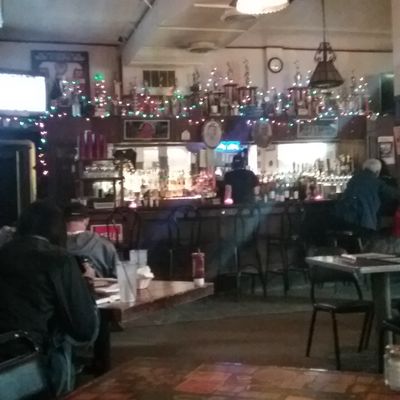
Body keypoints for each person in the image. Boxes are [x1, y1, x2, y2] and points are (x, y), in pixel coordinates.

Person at [0, 201, 98, 395]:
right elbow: (83, 329)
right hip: (34, 362)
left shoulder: (3, 253)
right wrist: (86, 285)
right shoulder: (59, 259)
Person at [334, 158, 400, 235]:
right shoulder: (375, 181)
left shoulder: (354, 178)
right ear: (377, 172)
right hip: (364, 216)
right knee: (366, 237)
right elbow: (392, 193)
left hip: (345, 216)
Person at [65, 202, 119, 278]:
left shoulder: (52, 246)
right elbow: (118, 277)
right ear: (86, 220)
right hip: (98, 285)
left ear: (63, 220)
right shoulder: (105, 245)